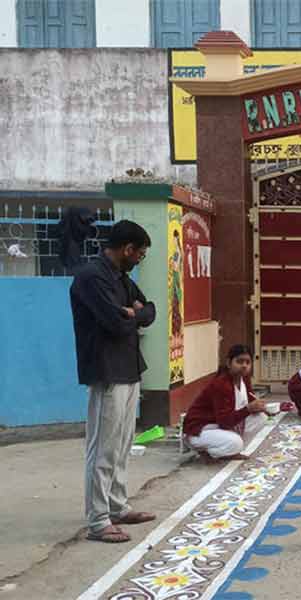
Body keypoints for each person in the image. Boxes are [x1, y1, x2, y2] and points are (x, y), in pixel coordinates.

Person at [70, 220, 157, 544]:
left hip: (130, 368)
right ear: (127, 249)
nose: (139, 261)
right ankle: (98, 519)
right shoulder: (91, 278)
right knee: (103, 449)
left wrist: (135, 313)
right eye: (140, 255)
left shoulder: (121, 278)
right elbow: (114, 324)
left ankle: (118, 506)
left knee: (121, 447)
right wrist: (132, 317)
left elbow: (150, 311)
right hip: (107, 371)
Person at [183, 344, 269, 461]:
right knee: (236, 443)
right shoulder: (221, 385)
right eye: (239, 362)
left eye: (247, 362)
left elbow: (249, 400)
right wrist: (248, 409)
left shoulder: (245, 379)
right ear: (229, 363)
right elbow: (224, 421)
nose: (244, 366)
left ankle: (230, 450)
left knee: (261, 418)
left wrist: (259, 407)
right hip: (201, 429)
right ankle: (206, 450)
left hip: (219, 424)